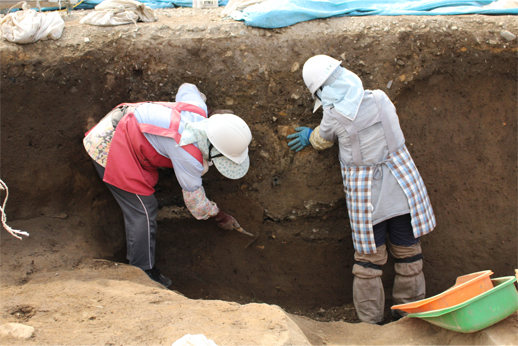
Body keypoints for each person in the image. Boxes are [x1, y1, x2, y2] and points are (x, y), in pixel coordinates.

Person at [287, 55, 436, 324]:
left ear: (321, 91)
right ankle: (410, 318)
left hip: (367, 199)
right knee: (409, 254)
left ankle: (370, 326)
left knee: (368, 262)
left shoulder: (333, 116)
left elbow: (323, 140)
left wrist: (309, 136)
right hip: (402, 187)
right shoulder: (380, 97)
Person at [84, 83, 252, 288]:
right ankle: (142, 274)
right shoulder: (189, 156)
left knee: (145, 207)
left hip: (120, 121)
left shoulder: (196, 109)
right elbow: (196, 203)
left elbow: (188, 87)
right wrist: (220, 216)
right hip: (109, 144)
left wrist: (216, 119)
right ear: (214, 147)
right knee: (143, 210)